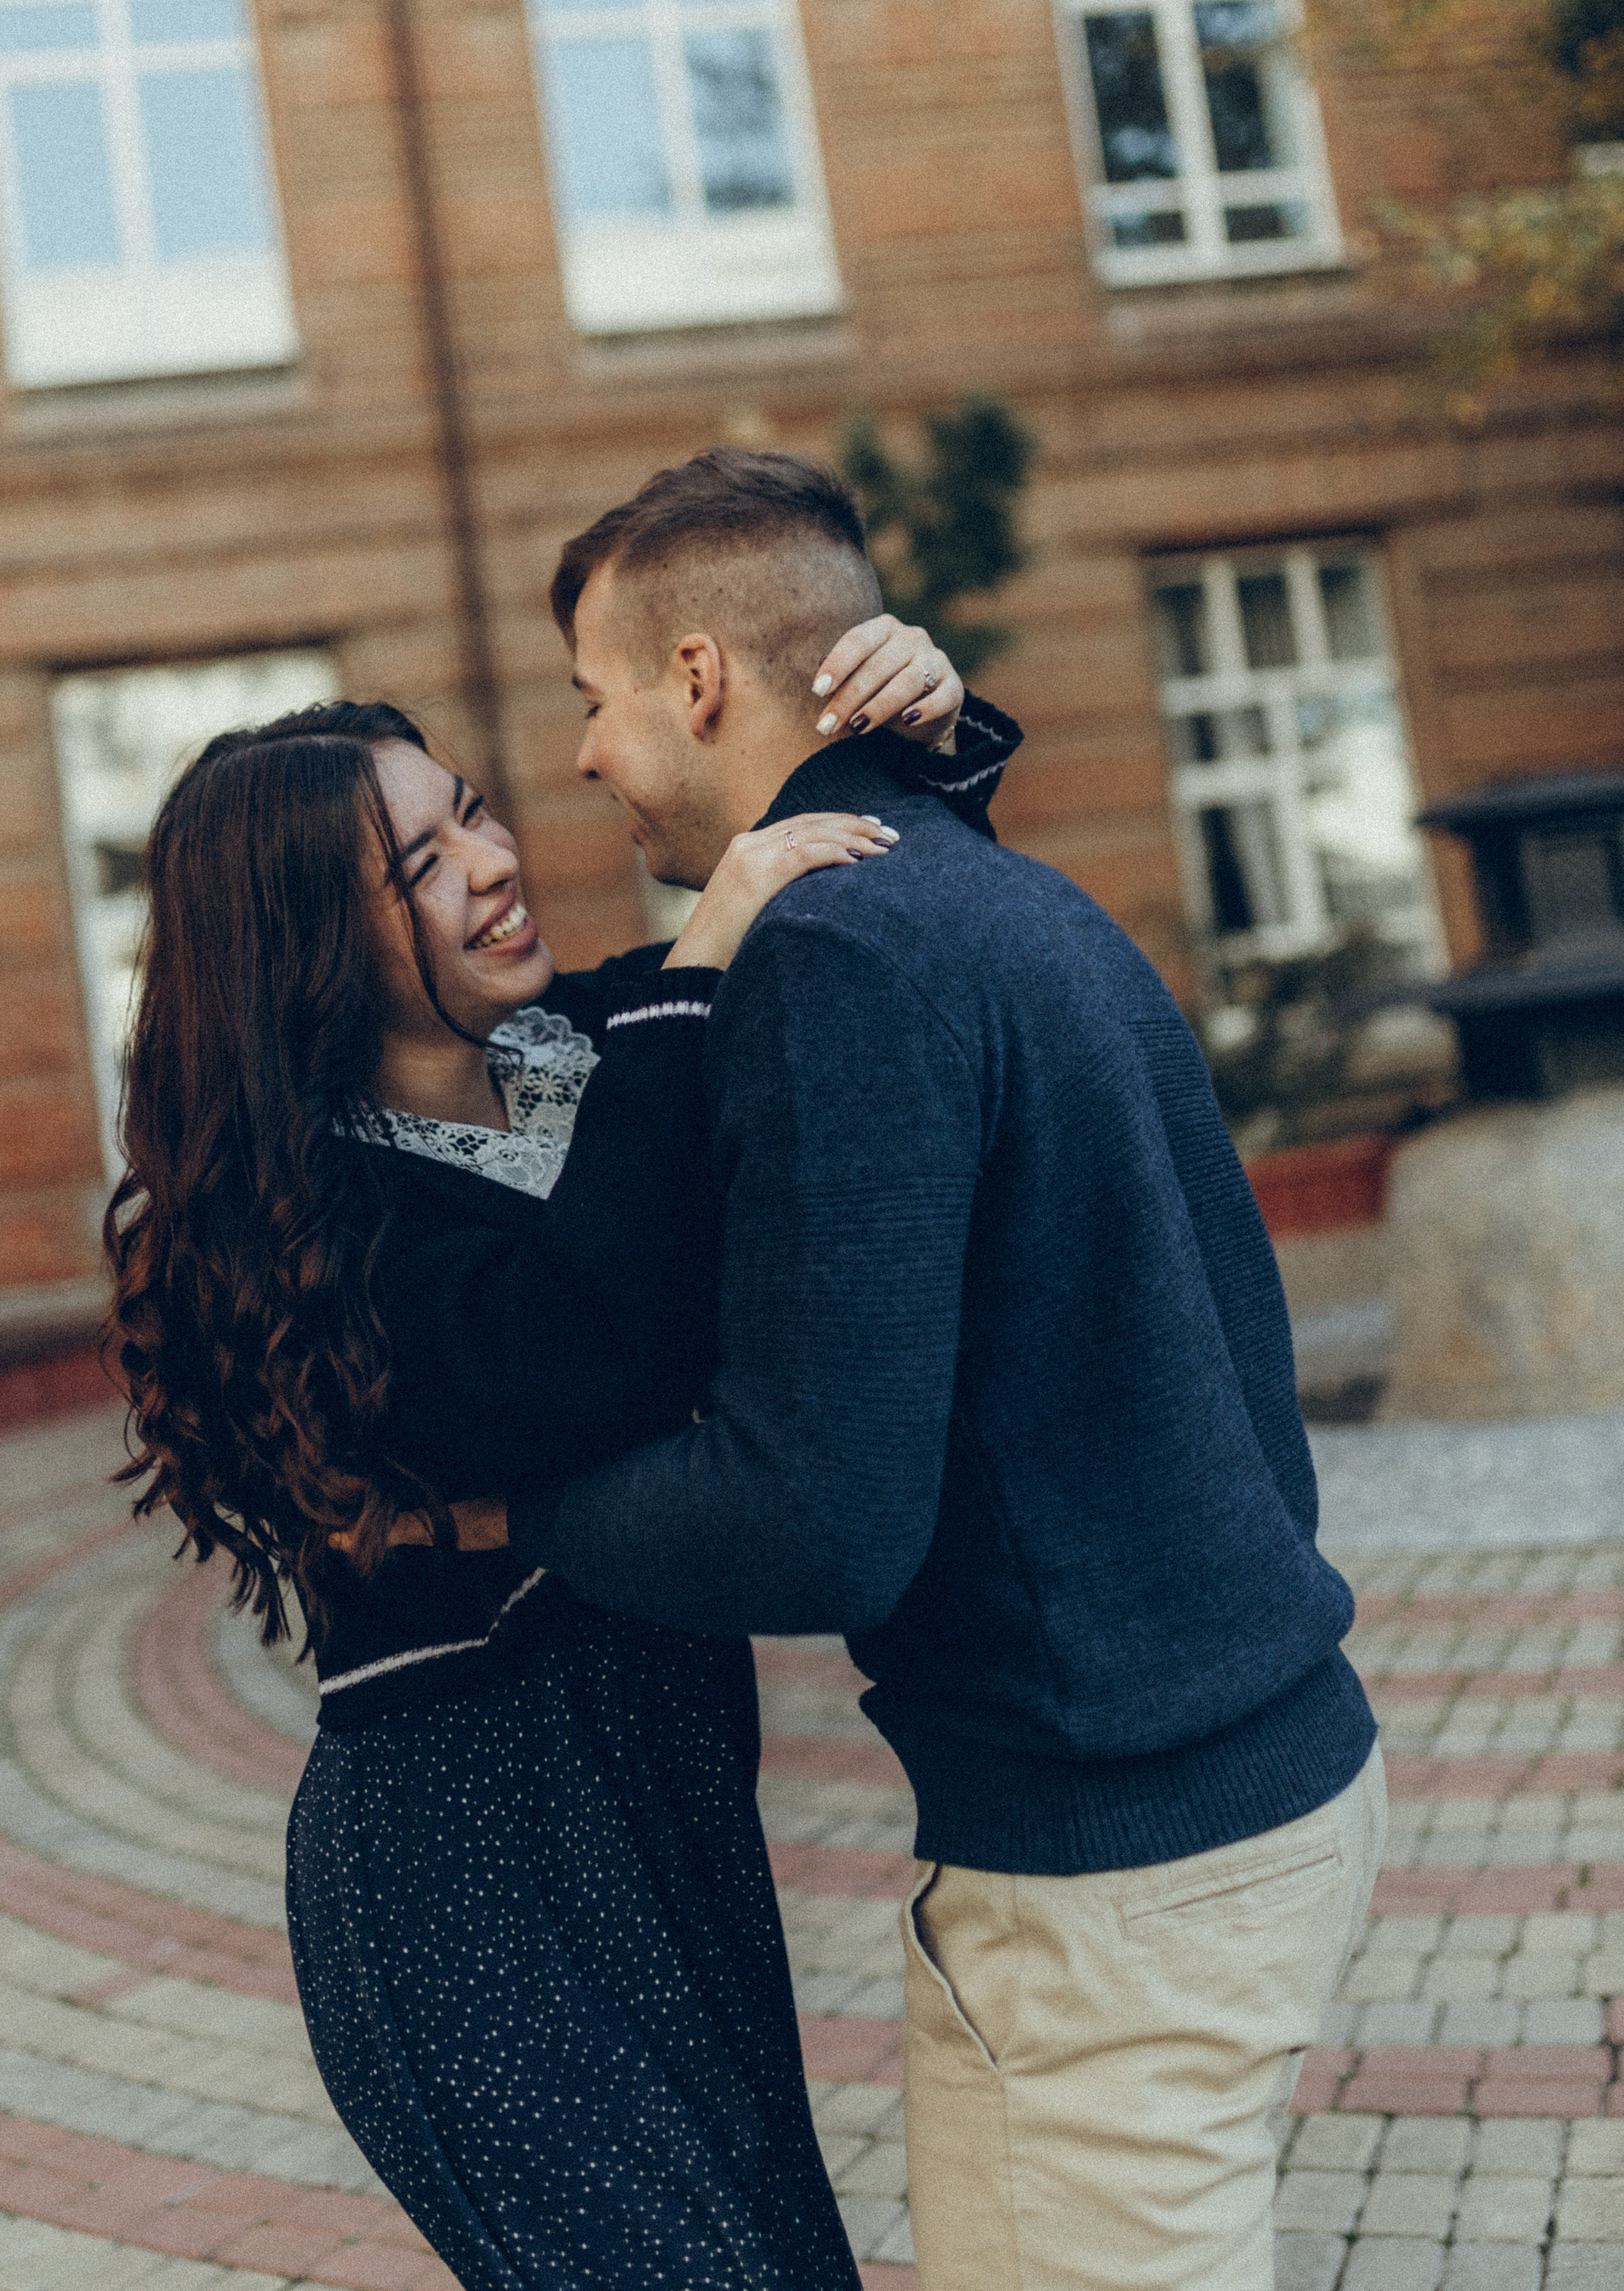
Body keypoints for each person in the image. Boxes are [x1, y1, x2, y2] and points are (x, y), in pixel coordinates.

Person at [488, 445, 1385, 2291]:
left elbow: (815, 1521)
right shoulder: (996, 893)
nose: (579, 755)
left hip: (1114, 1874)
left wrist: (515, 1504)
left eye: (591, 700)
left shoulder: (836, 958)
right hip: (1260, 1776)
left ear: (700, 682)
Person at [104, 616, 964, 2291]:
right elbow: (588, 1337)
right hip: (460, 1870)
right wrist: (701, 953)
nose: (493, 867)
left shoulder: (587, 1056)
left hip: (665, 1817)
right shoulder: (316, 1224)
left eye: (475, 813)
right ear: (306, 951)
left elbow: (841, 937)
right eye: (417, 867)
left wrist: (908, 732)